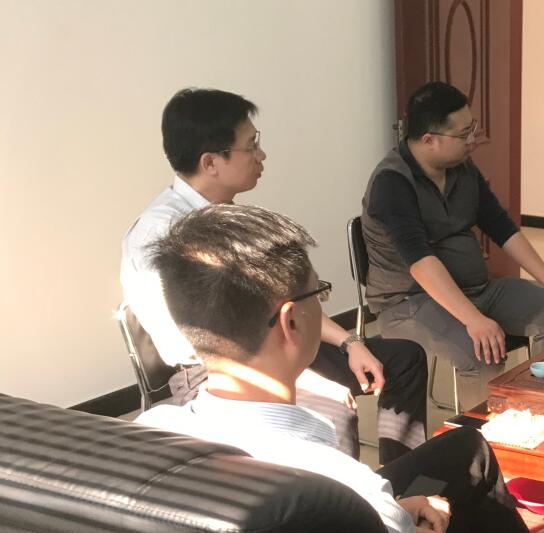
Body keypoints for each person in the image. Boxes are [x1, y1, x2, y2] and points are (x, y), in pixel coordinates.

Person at [136, 203, 529, 533]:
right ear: (292, 321)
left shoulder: (149, 432)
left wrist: (395, 511)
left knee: (467, 445)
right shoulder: (347, 488)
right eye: (319, 292)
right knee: (452, 517)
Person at [121, 87, 429, 463]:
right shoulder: (162, 235)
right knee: (331, 412)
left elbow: (290, 299)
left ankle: (402, 478)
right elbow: (207, 344)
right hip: (214, 370)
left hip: (273, 343)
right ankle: (340, 496)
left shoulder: (225, 215)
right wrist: (300, 378)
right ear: (210, 162)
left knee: (403, 359)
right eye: (251, 146)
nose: (261, 155)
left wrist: (350, 342)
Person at [361, 81, 544, 409]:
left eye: (472, 128)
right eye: (464, 134)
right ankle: (479, 434)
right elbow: (421, 263)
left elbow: (502, 227)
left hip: (477, 290)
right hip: (409, 303)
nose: (473, 140)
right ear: (429, 140)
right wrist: (473, 319)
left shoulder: (461, 168)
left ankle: (542, 408)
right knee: (482, 351)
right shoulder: (392, 182)